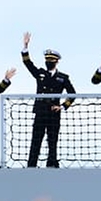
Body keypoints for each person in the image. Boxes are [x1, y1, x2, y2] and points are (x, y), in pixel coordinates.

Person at [21, 32, 76, 168]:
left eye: (51, 60)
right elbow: (28, 63)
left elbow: (72, 94)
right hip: (40, 111)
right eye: (47, 60)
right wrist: (25, 46)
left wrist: (62, 106)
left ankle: (51, 164)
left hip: (54, 112)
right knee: (36, 140)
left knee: (52, 140)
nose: (48, 62)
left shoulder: (63, 77)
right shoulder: (40, 73)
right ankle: (31, 165)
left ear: (56, 61)